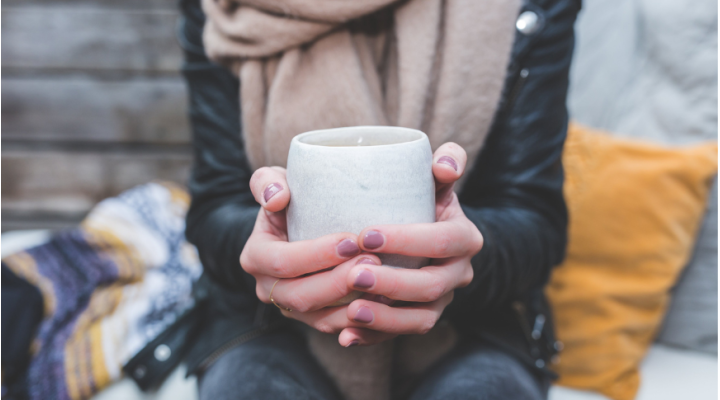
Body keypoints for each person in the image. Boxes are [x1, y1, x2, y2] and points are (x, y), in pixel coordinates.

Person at [177, 0, 580, 398]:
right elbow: (214, 209)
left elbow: (536, 223)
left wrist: (456, 255)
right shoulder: (226, 6)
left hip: (474, 328)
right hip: (264, 326)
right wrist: (272, 243)